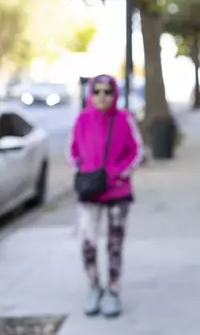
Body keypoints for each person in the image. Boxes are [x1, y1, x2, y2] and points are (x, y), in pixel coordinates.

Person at [67, 74, 144, 318]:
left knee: (114, 244)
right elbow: (72, 151)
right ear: (91, 94)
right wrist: (81, 168)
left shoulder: (124, 119)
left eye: (107, 92)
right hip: (90, 191)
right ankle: (93, 287)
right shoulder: (82, 120)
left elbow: (137, 150)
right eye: (97, 91)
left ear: (115, 94)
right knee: (87, 243)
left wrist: (121, 173)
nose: (102, 97)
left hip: (117, 192)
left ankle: (112, 290)